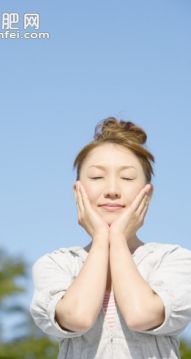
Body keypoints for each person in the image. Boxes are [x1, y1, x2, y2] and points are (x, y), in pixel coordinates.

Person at [29, 117, 191, 359]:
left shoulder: (172, 260)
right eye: (96, 177)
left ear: (147, 193)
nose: (112, 190)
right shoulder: (58, 264)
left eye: (127, 178)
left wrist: (116, 238)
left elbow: (141, 315)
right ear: (78, 191)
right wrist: (101, 240)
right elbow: (78, 318)